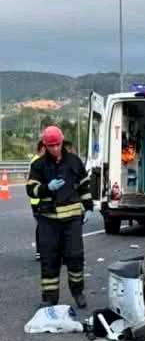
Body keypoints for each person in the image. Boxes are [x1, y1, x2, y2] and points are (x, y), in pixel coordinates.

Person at [27, 126, 92, 307]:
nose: (55, 148)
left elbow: (84, 185)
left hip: (72, 220)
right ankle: (50, 298)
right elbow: (31, 189)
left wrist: (88, 206)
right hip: (48, 220)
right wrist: (47, 187)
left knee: (75, 257)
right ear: (45, 145)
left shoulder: (74, 161)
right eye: (51, 146)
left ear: (62, 142)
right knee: (49, 259)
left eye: (57, 144)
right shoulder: (38, 165)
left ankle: (78, 292)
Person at [29, 140, 45, 262]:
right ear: (41, 149)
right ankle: (40, 252)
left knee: (42, 225)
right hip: (38, 200)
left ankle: (41, 251)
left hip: (36, 200)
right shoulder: (37, 162)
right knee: (42, 226)